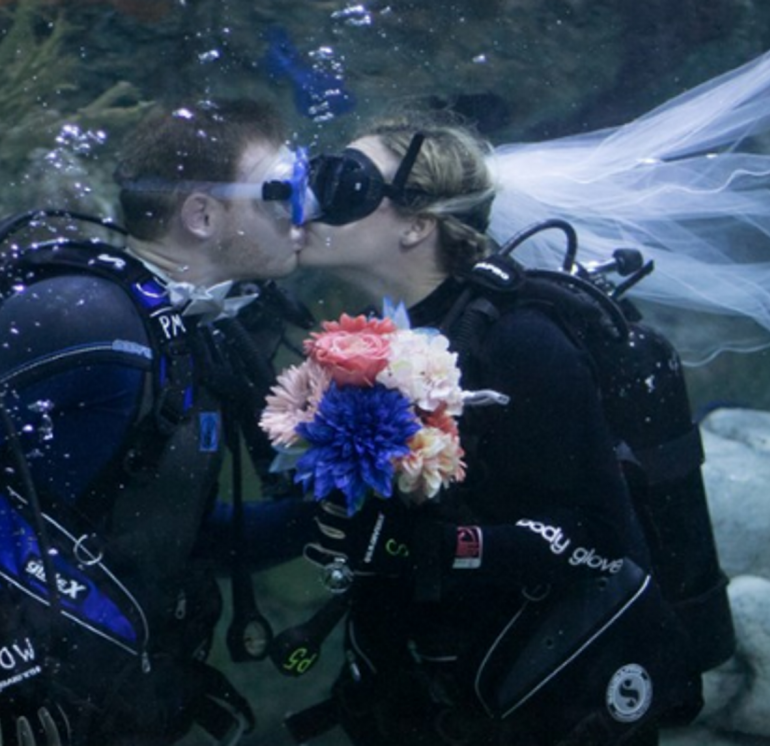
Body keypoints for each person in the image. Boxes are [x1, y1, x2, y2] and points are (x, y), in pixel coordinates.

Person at [0, 97, 309, 746]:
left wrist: (325, 516)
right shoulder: (85, 313)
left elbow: (163, 534)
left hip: (91, 692)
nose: (302, 215)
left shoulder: (197, 334)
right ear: (202, 216)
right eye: (280, 194)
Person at [287, 111, 706, 746]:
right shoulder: (371, 347)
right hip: (427, 696)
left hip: (543, 709)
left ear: (417, 225)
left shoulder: (520, 341)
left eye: (349, 184)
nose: (314, 204)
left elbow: (601, 542)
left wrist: (425, 548)